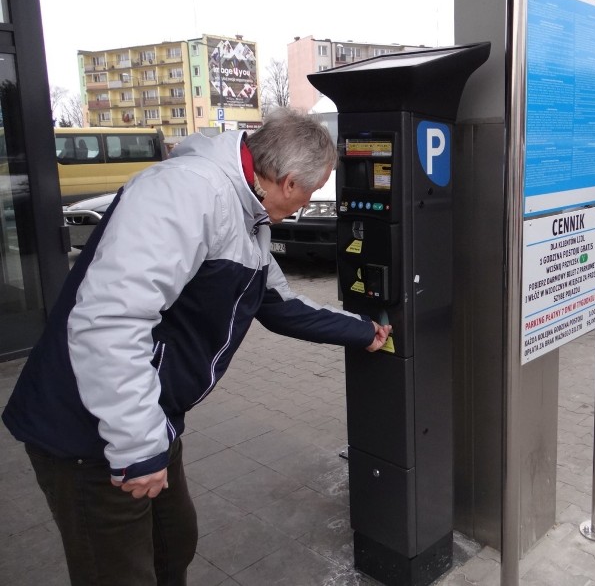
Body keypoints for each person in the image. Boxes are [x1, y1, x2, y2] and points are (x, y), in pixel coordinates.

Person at [2, 107, 391, 585]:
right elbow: (109, 322)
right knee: (119, 571)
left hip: (149, 417)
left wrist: (363, 330)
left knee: (173, 546)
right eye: (310, 193)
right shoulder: (185, 193)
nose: (306, 204)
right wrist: (138, 445)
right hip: (90, 432)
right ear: (289, 182)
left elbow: (279, 304)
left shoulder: (247, 213)